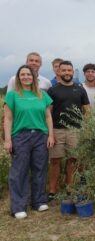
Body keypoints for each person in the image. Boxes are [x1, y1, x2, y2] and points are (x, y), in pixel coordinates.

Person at [3, 65, 54, 219]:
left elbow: (47, 117)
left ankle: (38, 201)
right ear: (18, 78)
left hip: (40, 136)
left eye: (28, 74)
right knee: (19, 171)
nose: (26, 77)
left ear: (33, 77)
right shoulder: (12, 95)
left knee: (40, 169)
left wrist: (50, 135)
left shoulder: (42, 95)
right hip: (20, 136)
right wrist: (7, 139)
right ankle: (18, 206)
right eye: (22, 74)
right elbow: (8, 118)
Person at [47, 61, 90, 200]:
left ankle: (70, 187)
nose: (66, 73)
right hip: (57, 130)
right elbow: (48, 113)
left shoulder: (80, 89)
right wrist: (50, 133)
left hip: (75, 130)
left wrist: (87, 128)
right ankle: (53, 190)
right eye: (63, 70)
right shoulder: (53, 90)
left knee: (73, 159)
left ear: (72, 72)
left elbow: (87, 111)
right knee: (55, 161)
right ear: (58, 72)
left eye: (69, 70)